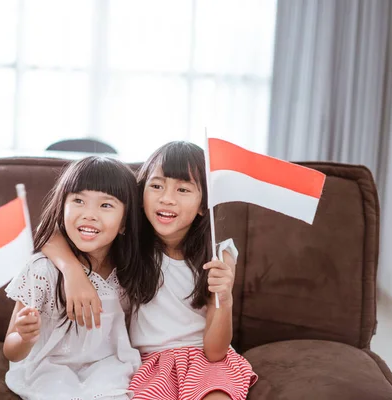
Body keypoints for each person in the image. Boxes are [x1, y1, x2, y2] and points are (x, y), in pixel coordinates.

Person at [43, 142, 257, 400]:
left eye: (183, 189)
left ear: (203, 206)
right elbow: (48, 236)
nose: (167, 198)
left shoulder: (219, 255)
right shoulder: (128, 242)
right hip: (151, 365)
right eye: (156, 186)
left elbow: (215, 352)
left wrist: (225, 297)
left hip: (206, 360)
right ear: (140, 196)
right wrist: (73, 273)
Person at [3, 156, 142, 400]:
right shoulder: (41, 271)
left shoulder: (127, 270)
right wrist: (25, 337)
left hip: (106, 366)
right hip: (48, 368)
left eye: (106, 205)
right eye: (79, 200)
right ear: (62, 207)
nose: (89, 214)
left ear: (124, 223)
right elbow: (11, 351)